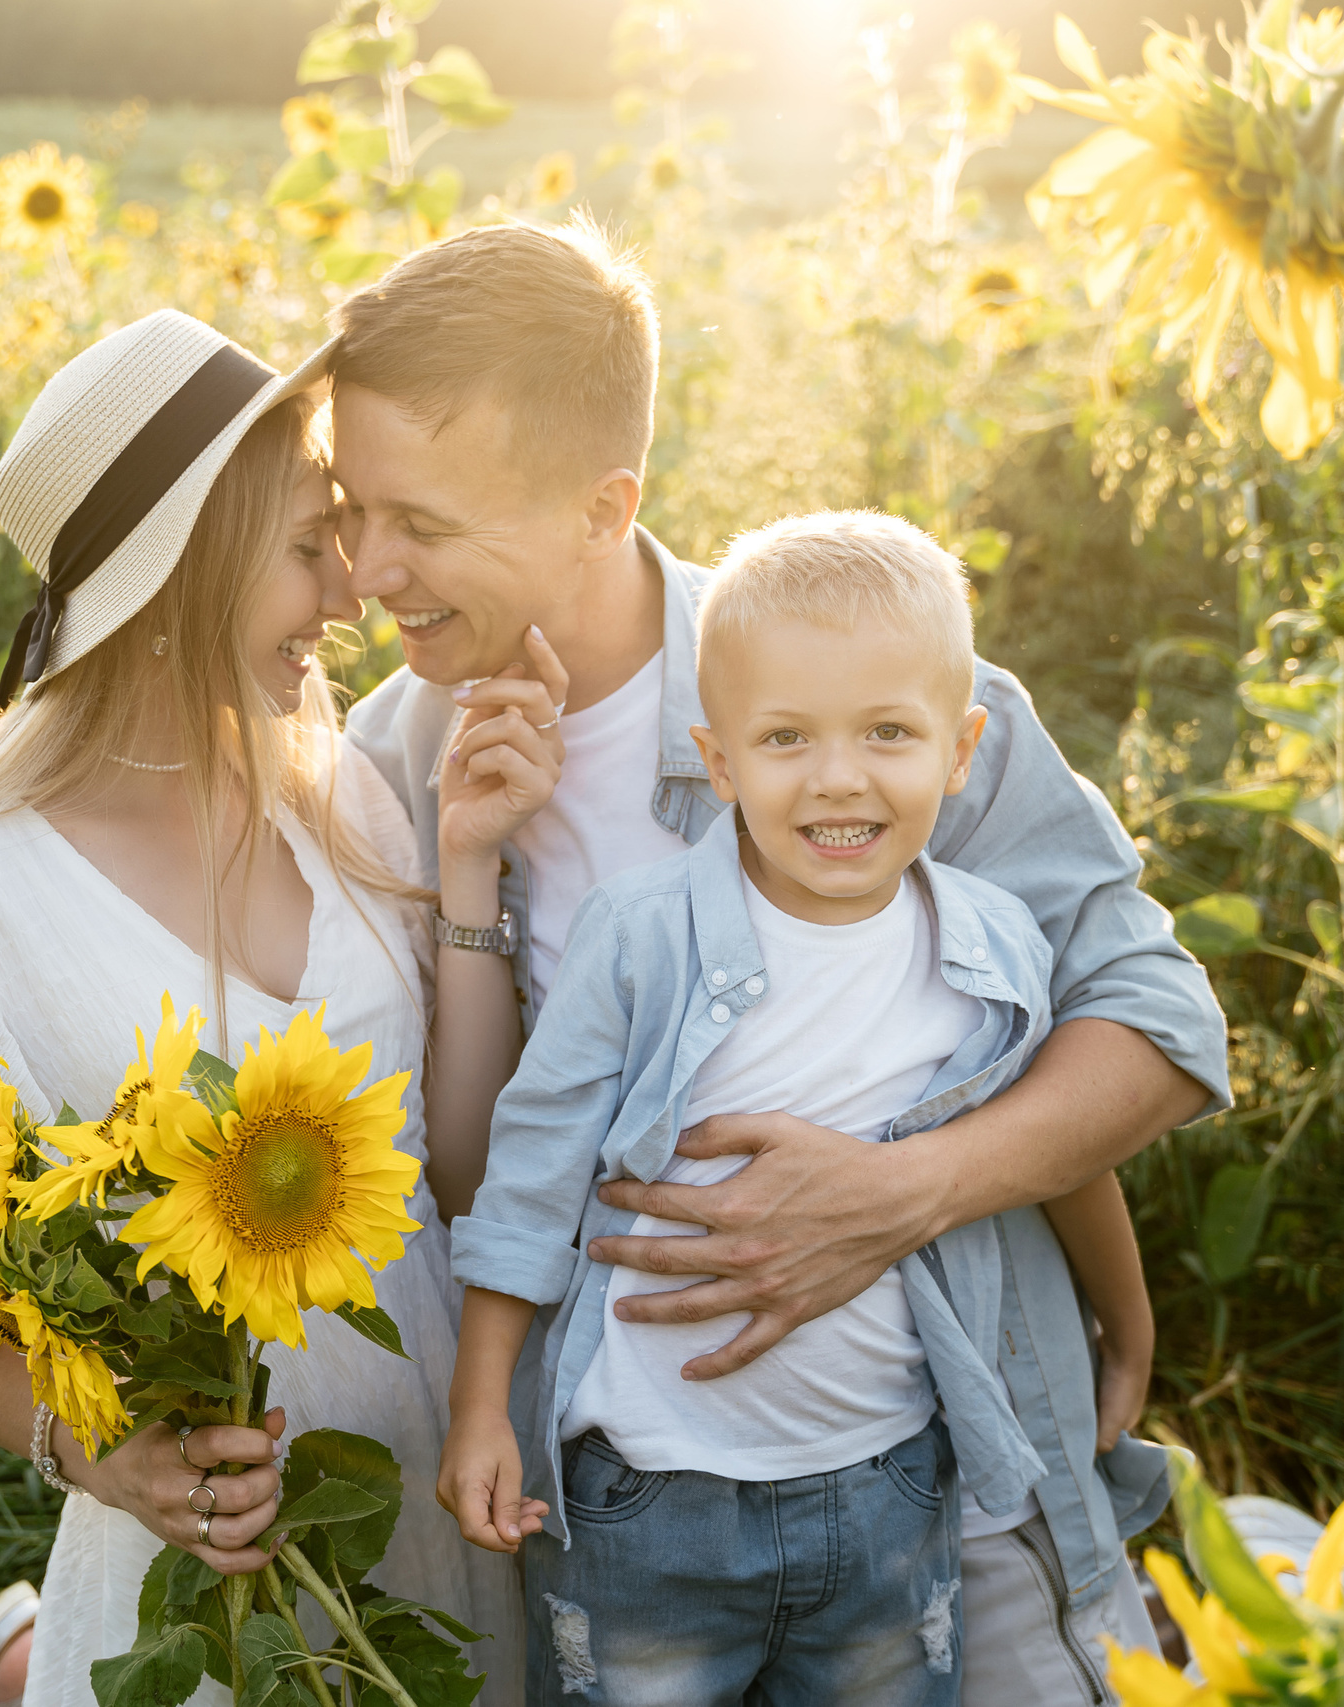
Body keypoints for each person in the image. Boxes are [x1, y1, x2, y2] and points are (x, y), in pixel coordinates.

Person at [332, 221, 1221, 1698]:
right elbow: (483, 1180)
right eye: (355, 513)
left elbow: (1155, 1022)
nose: (370, 570)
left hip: (939, 1440)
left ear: (602, 504)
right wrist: (470, 878)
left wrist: (898, 1193)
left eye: (419, 522)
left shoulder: (859, 695)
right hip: (626, 1496)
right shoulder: (388, 765)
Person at [0, 310, 544, 1707]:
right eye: (302, 546)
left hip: (441, 1521)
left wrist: (466, 866)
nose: (348, 589)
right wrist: (116, 1462)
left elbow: (462, 1169)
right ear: (177, 575)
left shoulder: (333, 791)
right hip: (216, 1603)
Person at [439, 511, 1156, 1700]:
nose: (838, 778)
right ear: (716, 762)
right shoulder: (642, 940)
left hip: (886, 1495)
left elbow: (1057, 1153)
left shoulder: (987, 946)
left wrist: (1125, 1326)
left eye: (888, 732)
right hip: (648, 1504)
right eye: (784, 740)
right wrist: (481, 1408)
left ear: (963, 747)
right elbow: (528, 1181)